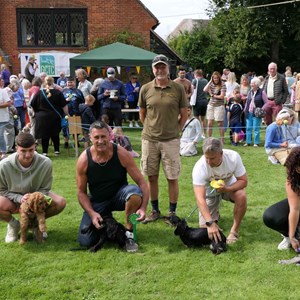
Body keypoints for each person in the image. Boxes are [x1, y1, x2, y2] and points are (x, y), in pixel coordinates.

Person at [76, 121, 149, 252]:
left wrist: (143, 208)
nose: (100, 141)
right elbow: (81, 193)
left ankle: (129, 233)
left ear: (110, 136)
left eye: (103, 136)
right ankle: (108, 222)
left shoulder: (121, 153)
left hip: (119, 196)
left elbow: (142, 182)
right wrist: (92, 214)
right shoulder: (84, 160)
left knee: (134, 194)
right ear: (90, 138)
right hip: (98, 200)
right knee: (85, 241)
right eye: (96, 137)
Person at [138, 54, 188, 221]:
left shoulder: (178, 88)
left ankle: (172, 213)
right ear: (153, 69)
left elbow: (184, 114)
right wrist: (151, 129)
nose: (160, 70)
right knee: (151, 176)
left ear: (168, 69)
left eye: (163, 67)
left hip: (171, 140)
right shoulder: (145, 89)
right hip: (149, 140)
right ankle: (155, 210)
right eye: (157, 67)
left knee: (172, 177)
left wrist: (176, 130)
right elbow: (142, 114)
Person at [0, 132, 66, 243]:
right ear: (17, 149)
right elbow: (1, 190)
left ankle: (35, 225)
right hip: (13, 199)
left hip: (36, 198)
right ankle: (14, 225)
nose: (28, 155)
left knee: (60, 202)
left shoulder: (46, 162)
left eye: (31, 150)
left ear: (35, 147)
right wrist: (19, 199)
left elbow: (45, 188)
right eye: (23, 151)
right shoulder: (4, 165)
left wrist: (32, 198)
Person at [192, 137, 248, 244]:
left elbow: (243, 181)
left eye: (212, 158)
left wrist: (227, 189)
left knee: (241, 195)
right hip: (209, 192)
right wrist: (209, 223)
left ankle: (234, 232)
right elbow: (200, 198)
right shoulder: (199, 167)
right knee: (205, 230)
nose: (208, 161)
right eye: (206, 157)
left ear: (221, 154)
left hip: (229, 186)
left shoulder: (233, 157)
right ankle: (214, 216)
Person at [263, 147, 300, 251]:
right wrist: (292, 236)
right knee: (271, 216)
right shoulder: (293, 179)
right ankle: (289, 236)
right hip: (298, 204)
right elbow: (295, 209)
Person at [30, 76, 69, 156]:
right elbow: (64, 105)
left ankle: (45, 152)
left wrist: (35, 113)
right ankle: (56, 151)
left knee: (44, 134)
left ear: (44, 83)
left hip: (41, 117)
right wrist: (67, 114)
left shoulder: (40, 93)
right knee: (55, 133)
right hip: (55, 116)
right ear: (53, 82)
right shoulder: (58, 93)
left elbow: (32, 104)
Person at [244, 77, 268, 147]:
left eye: (252, 83)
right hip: (249, 112)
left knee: (256, 128)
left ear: (256, 84)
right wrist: (245, 110)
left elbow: (266, 102)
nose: (251, 84)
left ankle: (256, 143)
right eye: (251, 83)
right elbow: (247, 102)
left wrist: (261, 109)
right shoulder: (250, 92)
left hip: (257, 113)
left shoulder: (262, 92)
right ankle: (248, 142)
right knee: (248, 128)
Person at [203, 71, 226, 143]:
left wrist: (213, 95)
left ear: (219, 78)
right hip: (211, 105)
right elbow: (204, 89)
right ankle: (209, 139)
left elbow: (222, 96)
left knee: (220, 123)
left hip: (219, 105)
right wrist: (210, 81)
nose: (215, 79)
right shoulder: (211, 84)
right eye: (214, 78)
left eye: (217, 78)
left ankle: (222, 139)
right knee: (209, 123)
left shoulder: (223, 85)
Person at [62, 76, 85, 148]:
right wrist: (65, 100)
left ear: (74, 83)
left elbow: (82, 101)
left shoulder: (78, 91)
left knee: (76, 128)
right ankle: (66, 142)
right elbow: (60, 102)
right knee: (65, 127)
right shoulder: (63, 91)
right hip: (66, 113)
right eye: (68, 82)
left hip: (76, 112)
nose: (70, 84)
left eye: (71, 82)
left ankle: (76, 142)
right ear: (66, 83)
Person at [191, 69, 208, 138]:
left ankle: (198, 133)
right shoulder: (206, 81)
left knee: (196, 118)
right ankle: (204, 133)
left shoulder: (194, 80)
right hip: (204, 101)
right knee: (203, 118)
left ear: (196, 74)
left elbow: (192, 89)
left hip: (197, 101)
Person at [0, 83, 11, 160]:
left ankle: (3, 152)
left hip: (2, 118)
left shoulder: (3, 91)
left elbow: (8, 103)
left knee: (0, 135)